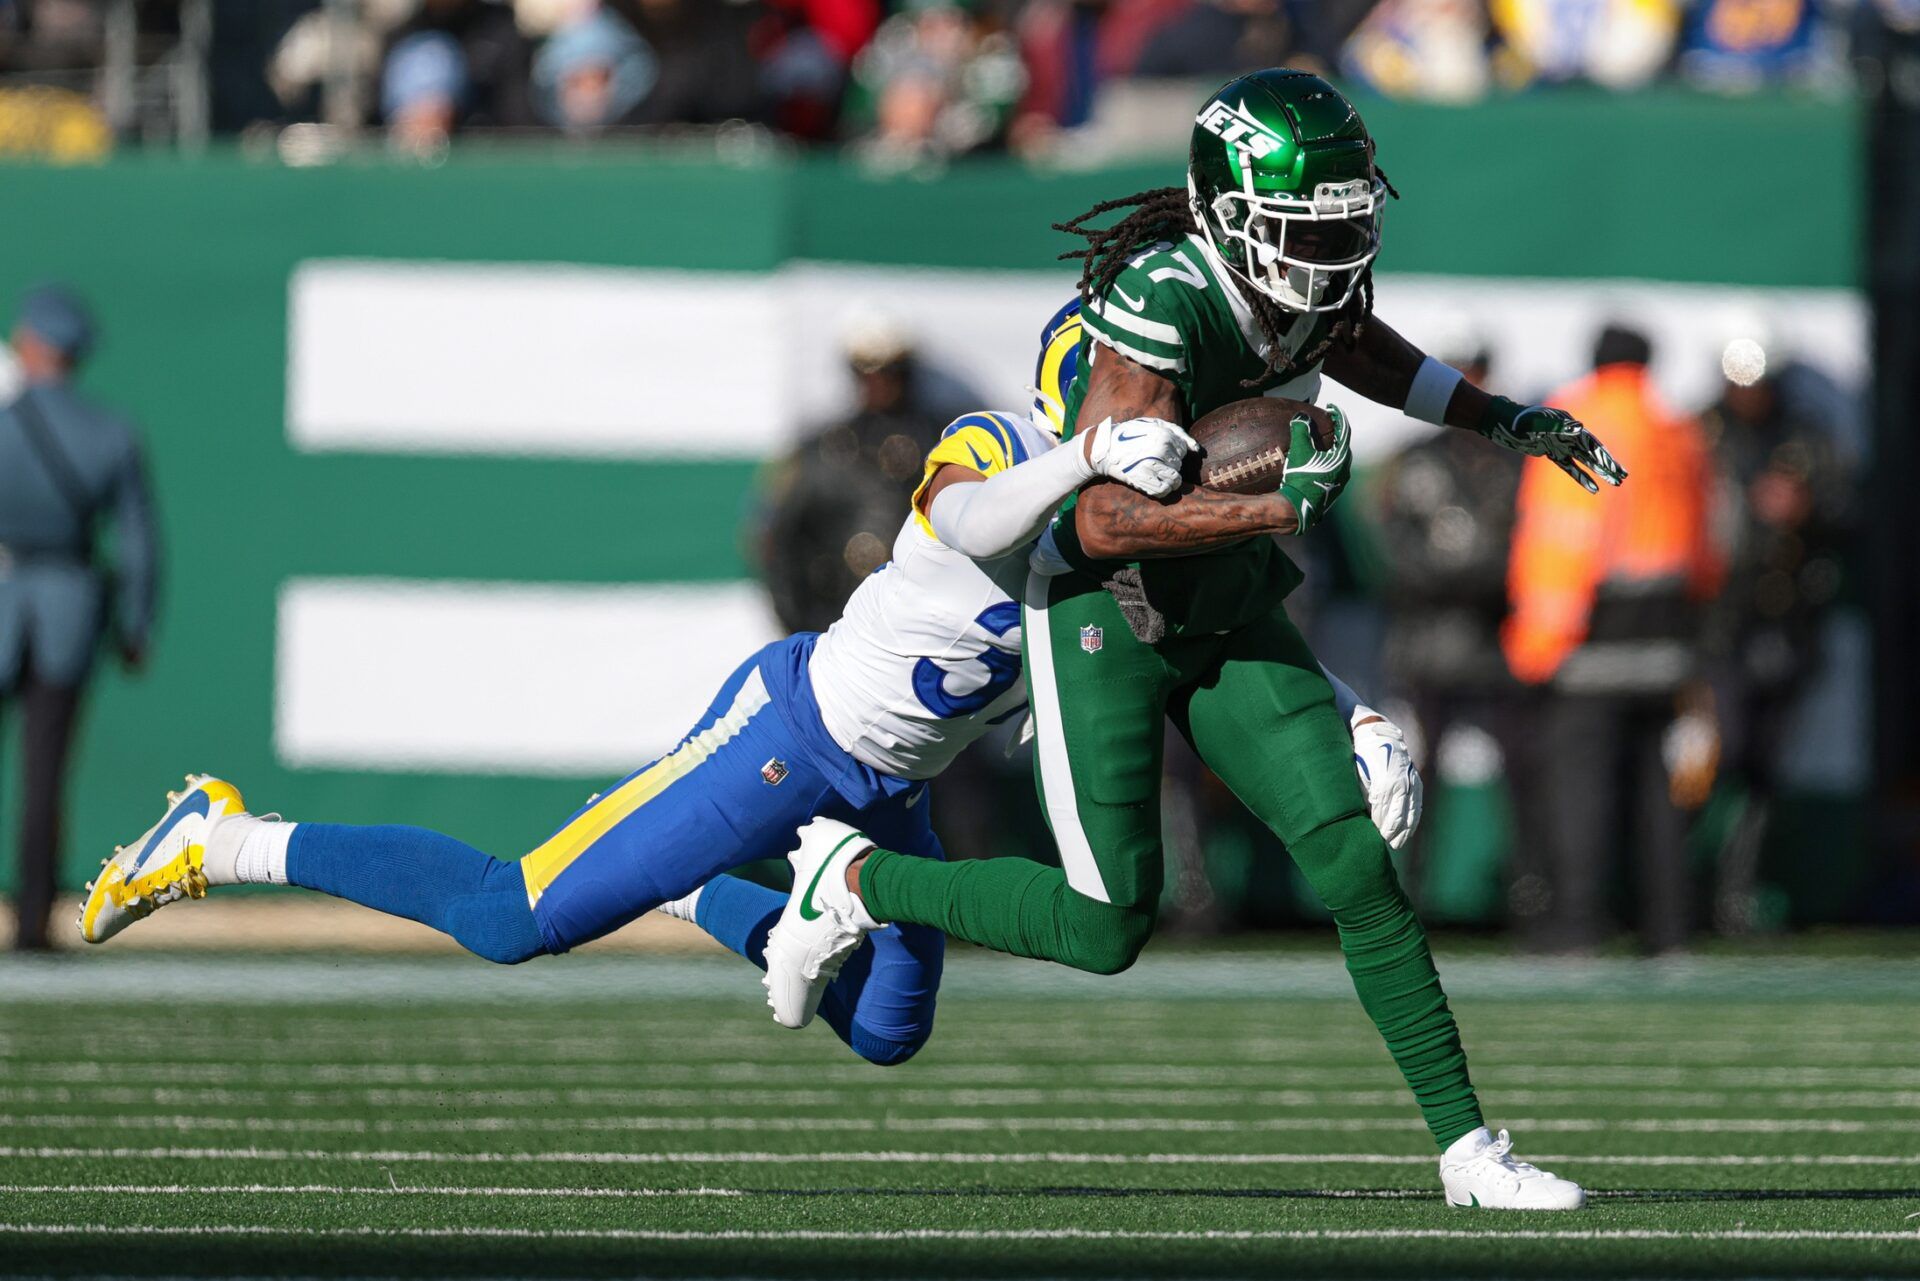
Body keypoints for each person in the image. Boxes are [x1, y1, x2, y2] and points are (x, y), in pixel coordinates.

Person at [77, 298, 1416, 1068]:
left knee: (889, 1031)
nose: (1162, 428)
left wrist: (1353, 723)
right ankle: (227, 837)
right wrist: (1081, 457)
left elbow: (1226, 655)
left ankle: (759, 894)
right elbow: (962, 514)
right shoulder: (1007, 448)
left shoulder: (1142, 531)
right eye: (1142, 404)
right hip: (798, 730)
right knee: (512, 916)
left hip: (893, 781)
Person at [762, 69, 1623, 1210]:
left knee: (1358, 864)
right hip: (1104, 612)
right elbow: (1104, 517)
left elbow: (1357, 342)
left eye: (1350, 220)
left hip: (1225, 601)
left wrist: (1497, 417)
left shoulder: (1305, 284)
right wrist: (1280, 504)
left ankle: (1470, 1154)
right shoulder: (1161, 301)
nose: (1340, 247)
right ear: (1230, 214)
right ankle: (857, 877)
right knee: (1106, 923)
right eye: (1309, 227)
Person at [1503, 324, 1721, 955]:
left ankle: (1578, 924)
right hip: (1668, 639)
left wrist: (1538, 642)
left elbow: (1563, 539)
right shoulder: (1678, 429)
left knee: (1581, 791)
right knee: (1661, 793)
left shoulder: (1578, 422)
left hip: (1591, 643)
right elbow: (1711, 544)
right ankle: (1669, 927)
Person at [1, 285, 158, 951]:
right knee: (46, 774)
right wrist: (137, 624)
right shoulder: (111, 431)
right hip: (70, 605)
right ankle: (34, 920)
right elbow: (140, 542)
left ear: (32, 344)